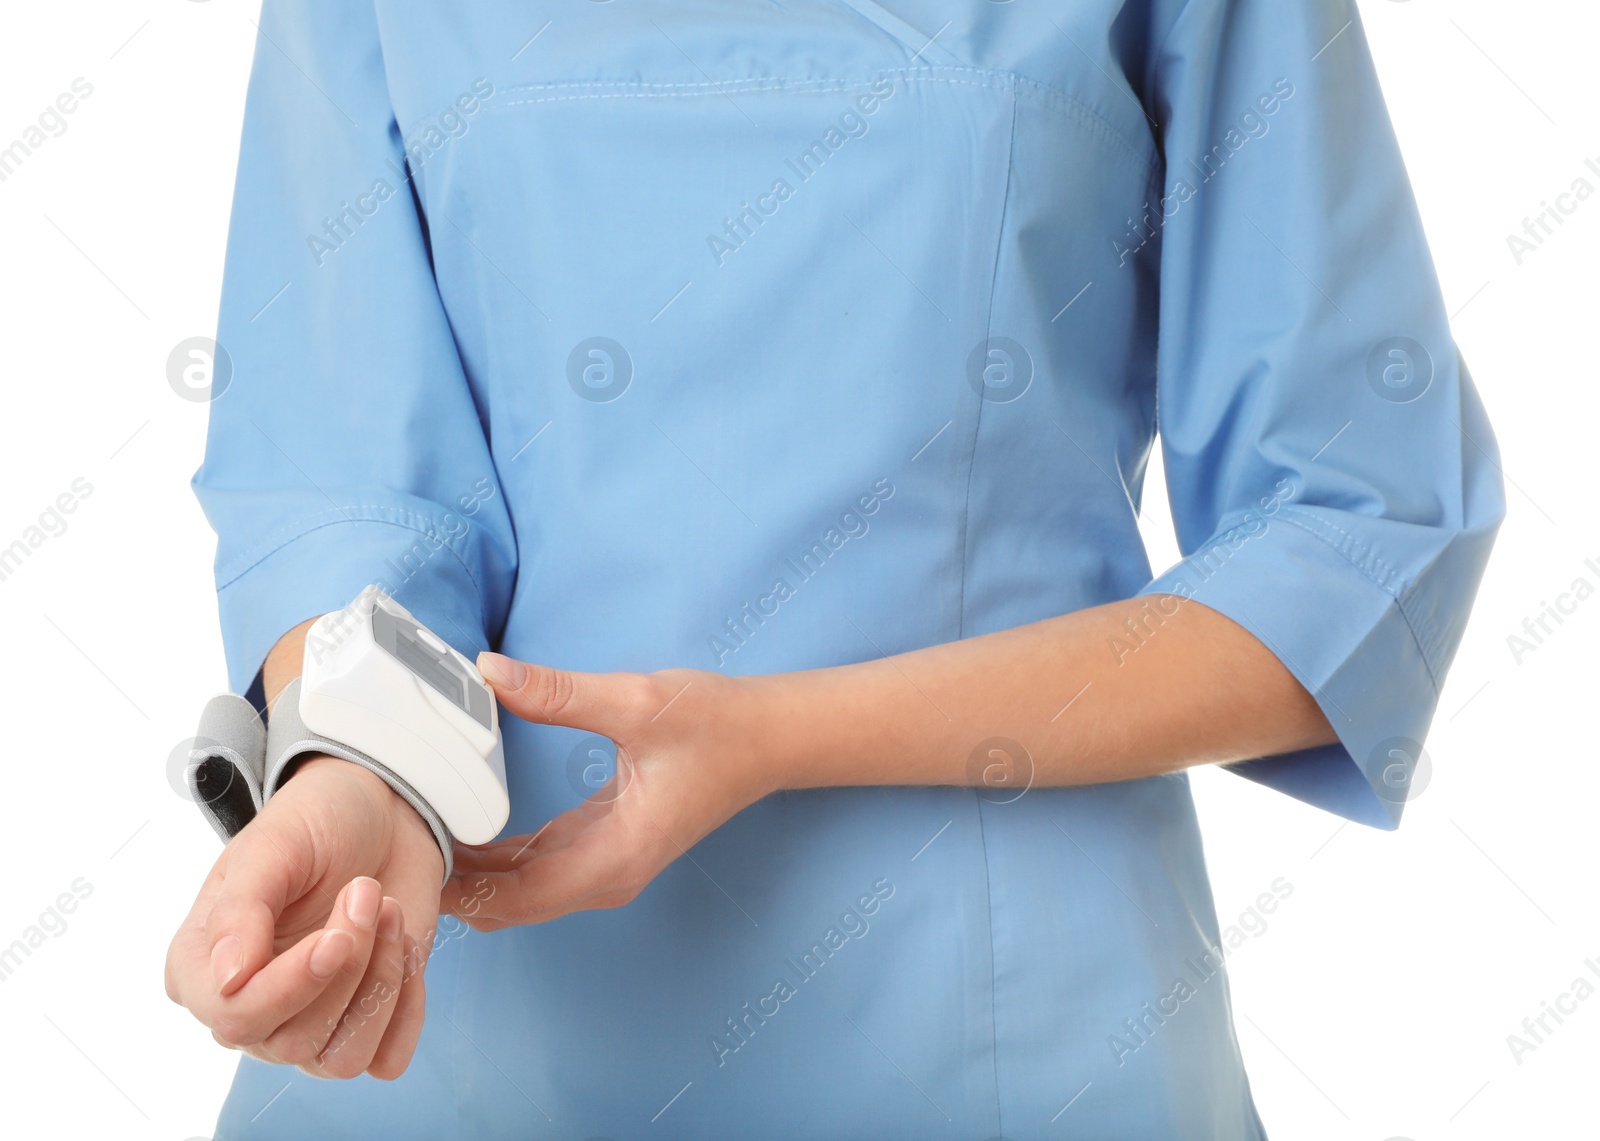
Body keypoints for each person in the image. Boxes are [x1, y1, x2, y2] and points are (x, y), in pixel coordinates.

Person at [165, 1, 1503, 1137]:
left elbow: (1358, 527)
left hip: (1002, 1044)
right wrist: (352, 778)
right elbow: (341, 498)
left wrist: (770, 736)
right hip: (444, 1030)